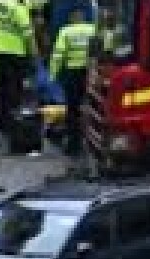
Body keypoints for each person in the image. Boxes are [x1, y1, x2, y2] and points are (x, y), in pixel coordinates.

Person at [0, 0, 38, 138]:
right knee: (15, 91)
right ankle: (14, 124)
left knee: (1, 91)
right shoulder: (18, 9)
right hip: (15, 54)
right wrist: (34, 53)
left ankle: (3, 123)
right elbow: (28, 34)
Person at [49, 7, 95, 157]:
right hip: (90, 73)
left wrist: (53, 74)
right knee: (92, 107)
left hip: (73, 73)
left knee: (73, 109)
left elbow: (58, 54)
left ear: (72, 18)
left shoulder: (66, 31)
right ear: (83, 17)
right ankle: (91, 140)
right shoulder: (92, 29)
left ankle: (74, 144)